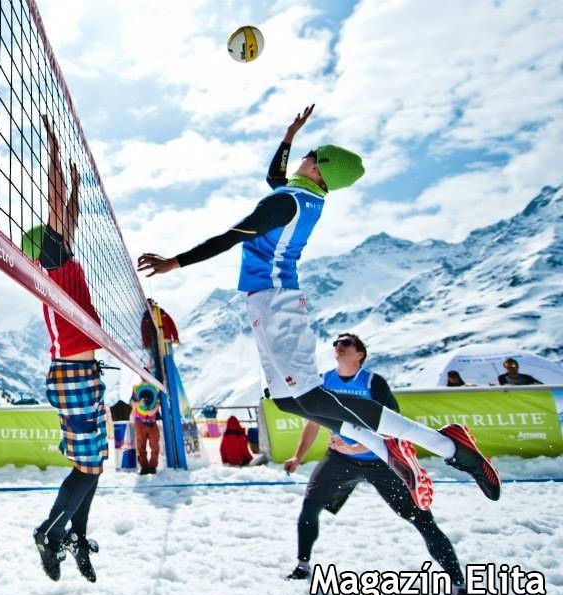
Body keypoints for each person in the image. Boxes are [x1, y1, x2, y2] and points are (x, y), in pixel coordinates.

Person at [137, 105, 500, 509]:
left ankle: (448, 447)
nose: (304, 156)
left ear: (317, 168)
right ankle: (389, 453)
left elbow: (232, 235)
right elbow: (275, 175)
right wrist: (290, 135)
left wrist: (175, 261)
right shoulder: (303, 197)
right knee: (288, 400)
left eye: (311, 153)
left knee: (311, 396)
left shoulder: (286, 203)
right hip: (268, 301)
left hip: (277, 304)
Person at [281, 334, 483, 595]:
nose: (338, 346)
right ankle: (303, 565)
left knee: (422, 519)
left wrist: (358, 446)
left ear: (360, 354)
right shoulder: (322, 381)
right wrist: (298, 455)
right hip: (340, 459)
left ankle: (460, 587)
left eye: (346, 342)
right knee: (309, 507)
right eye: (336, 343)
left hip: (381, 459)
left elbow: (393, 427)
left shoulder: (373, 383)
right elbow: (313, 423)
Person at [22, 114, 104, 582]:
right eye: (56, 233)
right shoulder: (50, 265)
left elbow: (65, 214)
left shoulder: (63, 261)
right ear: (45, 246)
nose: (63, 231)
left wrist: (75, 185)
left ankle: (75, 537)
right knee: (88, 469)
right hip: (72, 377)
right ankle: (50, 533)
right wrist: (53, 152)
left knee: (91, 467)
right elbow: (54, 205)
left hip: (83, 377)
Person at [130, 384, 161, 474]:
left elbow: (158, 403)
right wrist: (140, 403)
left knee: (155, 444)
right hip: (140, 421)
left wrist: (153, 411)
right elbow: (132, 403)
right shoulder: (136, 388)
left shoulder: (155, 388)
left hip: (151, 421)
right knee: (140, 445)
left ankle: (152, 467)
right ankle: (144, 467)